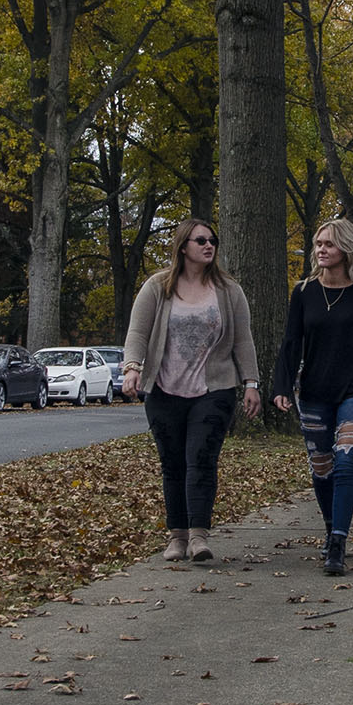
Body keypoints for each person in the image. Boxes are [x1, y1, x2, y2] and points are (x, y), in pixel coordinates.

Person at [121, 219, 262, 562]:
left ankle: (199, 536)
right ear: (183, 246)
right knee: (172, 464)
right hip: (164, 391)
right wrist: (131, 368)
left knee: (201, 459)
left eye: (213, 240)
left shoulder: (229, 291)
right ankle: (177, 537)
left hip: (214, 388)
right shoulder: (158, 287)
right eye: (201, 240)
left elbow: (243, 340)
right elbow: (138, 333)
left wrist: (251, 384)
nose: (208, 245)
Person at [271, 216, 353, 576]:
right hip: (314, 391)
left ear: (346, 247)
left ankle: (338, 542)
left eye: (328, 244)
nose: (321, 250)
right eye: (318, 244)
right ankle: (330, 529)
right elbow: (291, 342)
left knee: (345, 463)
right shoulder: (304, 291)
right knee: (322, 468)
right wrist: (281, 387)